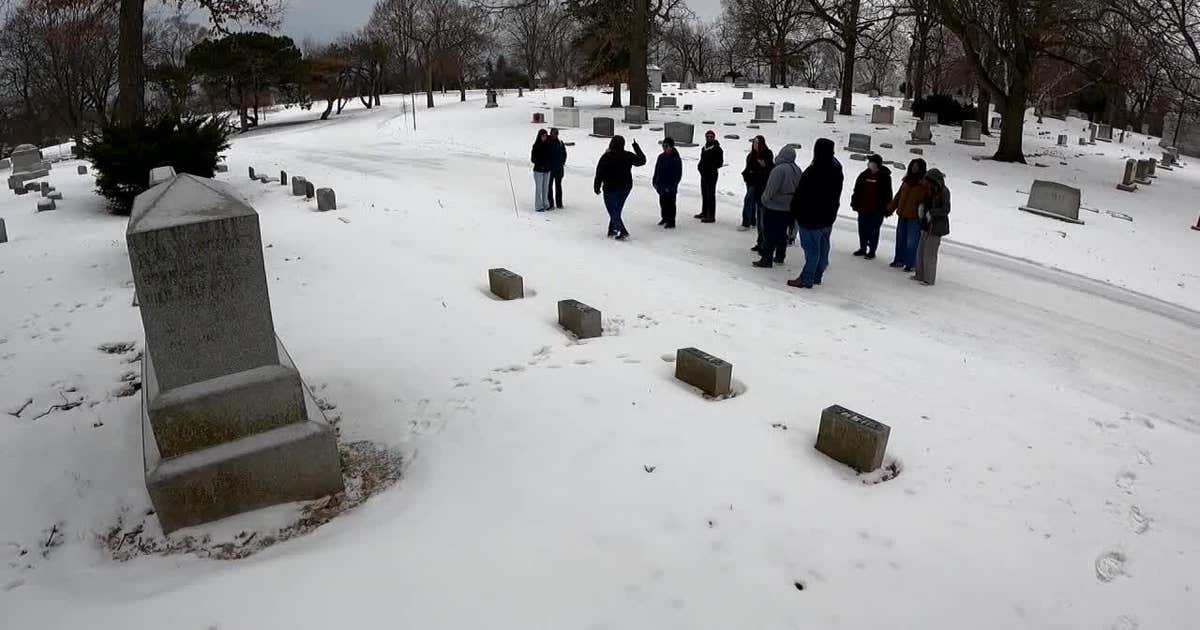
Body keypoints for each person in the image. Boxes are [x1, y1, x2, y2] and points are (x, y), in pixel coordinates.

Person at [787, 138, 843, 289]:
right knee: (822, 247)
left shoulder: (815, 170)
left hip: (810, 216)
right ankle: (817, 274)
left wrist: (796, 209)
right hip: (827, 216)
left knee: (811, 249)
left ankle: (807, 278)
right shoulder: (836, 168)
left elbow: (803, 193)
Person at [752, 143, 802, 268]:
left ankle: (766, 258)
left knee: (769, 232)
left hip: (775, 206)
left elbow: (771, 189)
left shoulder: (779, 170)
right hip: (789, 207)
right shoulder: (797, 170)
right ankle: (780, 255)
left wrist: (764, 200)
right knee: (782, 233)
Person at [593, 135, 646, 240]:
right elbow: (642, 161)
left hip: (610, 188)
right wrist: (636, 147)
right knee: (617, 209)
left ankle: (622, 231)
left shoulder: (606, 157)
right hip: (625, 187)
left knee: (613, 210)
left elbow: (600, 172)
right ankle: (612, 229)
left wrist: (597, 185)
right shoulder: (627, 155)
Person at [887, 158, 928, 271]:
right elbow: (898, 196)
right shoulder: (906, 181)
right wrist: (890, 208)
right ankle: (899, 260)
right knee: (900, 239)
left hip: (915, 218)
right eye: (913, 166)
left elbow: (927, 201)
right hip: (902, 215)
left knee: (912, 241)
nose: (914, 168)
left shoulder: (924, 184)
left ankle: (911, 263)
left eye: (917, 166)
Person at [849, 154, 893, 259]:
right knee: (862, 228)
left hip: (877, 209)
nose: (870, 164)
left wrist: (887, 209)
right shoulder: (864, 175)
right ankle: (862, 248)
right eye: (869, 162)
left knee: (873, 230)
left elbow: (888, 194)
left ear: (877, 164)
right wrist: (854, 202)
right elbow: (857, 190)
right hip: (863, 207)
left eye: (872, 162)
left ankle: (872, 250)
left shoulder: (884, 177)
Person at [914, 168, 950, 285]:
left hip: (936, 227)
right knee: (921, 251)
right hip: (926, 224)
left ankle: (928, 279)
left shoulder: (944, 191)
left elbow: (946, 209)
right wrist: (922, 207)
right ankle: (919, 275)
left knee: (930, 254)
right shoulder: (929, 190)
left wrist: (932, 213)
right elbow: (925, 201)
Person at [741, 135, 773, 230]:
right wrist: (746, 175)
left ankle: (748, 222)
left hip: (760, 182)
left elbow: (770, 167)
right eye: (754, 142)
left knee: (753, 201)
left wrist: (764, 165)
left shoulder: (767, 153)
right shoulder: (751, 155)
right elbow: (748, 167)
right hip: (751, 181)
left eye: (757, 143)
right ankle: (751, 221)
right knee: (750, 201)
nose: (755, 144)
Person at [652, 136, 683, 228]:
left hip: (671, 185)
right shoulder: (661, 157)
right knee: (663, 202)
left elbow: (678, 174)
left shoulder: (676, 158)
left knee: (671, 203)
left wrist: (672, 186)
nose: (664, 148)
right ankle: (664, 217)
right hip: (661, 184)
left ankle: (671, 221)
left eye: (666, 146)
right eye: (663, 146)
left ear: (671, 147)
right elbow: (657, 170)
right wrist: (654, 181)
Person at [695, 130, 723, 223]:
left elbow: (720, 163)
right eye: (708, 136)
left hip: (712, 174)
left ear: (714, 137)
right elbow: (702, 160)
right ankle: (704, 212)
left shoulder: (717, 149)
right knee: (704, 193)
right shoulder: (704, 148)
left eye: (711, 136)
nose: (709, 138)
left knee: (711, 195)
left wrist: (711, 167)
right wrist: (699, 167)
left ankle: (711, 215)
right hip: (703, 174)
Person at [531, 129, 553, 212]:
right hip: (538, 171)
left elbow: (550, 157)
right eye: (543, 136)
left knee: (545, 188)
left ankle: (545, 203)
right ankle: (538, 205)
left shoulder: (548, 145)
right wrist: (541, 163)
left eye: (545, 136)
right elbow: (533, 159)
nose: (544, 138)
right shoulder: (536, 146)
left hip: (547, 170)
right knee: (539, 188)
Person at [547, 128, 567, 209]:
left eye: (555, 134)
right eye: (552, 133)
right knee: (549, 186)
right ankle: (550, 203)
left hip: (558, 169)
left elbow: (564, 154)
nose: (553, 135)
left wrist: (562, 163)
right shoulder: (547, 143)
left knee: (558, 186)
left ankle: (559, 203)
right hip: (550, 168)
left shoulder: (560, 143)